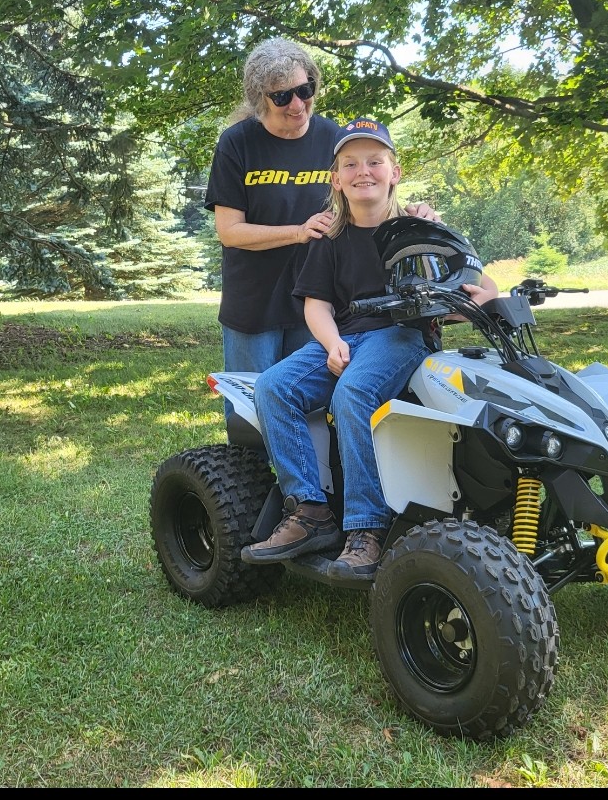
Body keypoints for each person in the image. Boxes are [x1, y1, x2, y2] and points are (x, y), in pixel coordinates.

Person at [241, 118, 499, 582]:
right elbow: (317, 306)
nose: (364, 172)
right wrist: (332, 341)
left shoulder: (418, 231)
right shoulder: (331, 238)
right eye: (351, 164)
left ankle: (366, 529)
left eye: (375, 162)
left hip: (401, 337)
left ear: (394, 172)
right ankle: (310, 511)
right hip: (347, 336)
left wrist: (477, 299)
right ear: (336, 179)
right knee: (274, 387)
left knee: (353, 393)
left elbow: (480, 284)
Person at [204, 38, 438, 415]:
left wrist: (415, 213)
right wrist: (297, 232)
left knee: (314, 411)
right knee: (250, 413)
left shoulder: (333, 137)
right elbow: (230, 231)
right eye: (281, 97)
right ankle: (248, 476)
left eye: (304, 90)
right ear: (259, 98)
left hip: (323, 300)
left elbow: (371, 189)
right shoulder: (237, 143)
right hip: (255, 299)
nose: (297, 105)